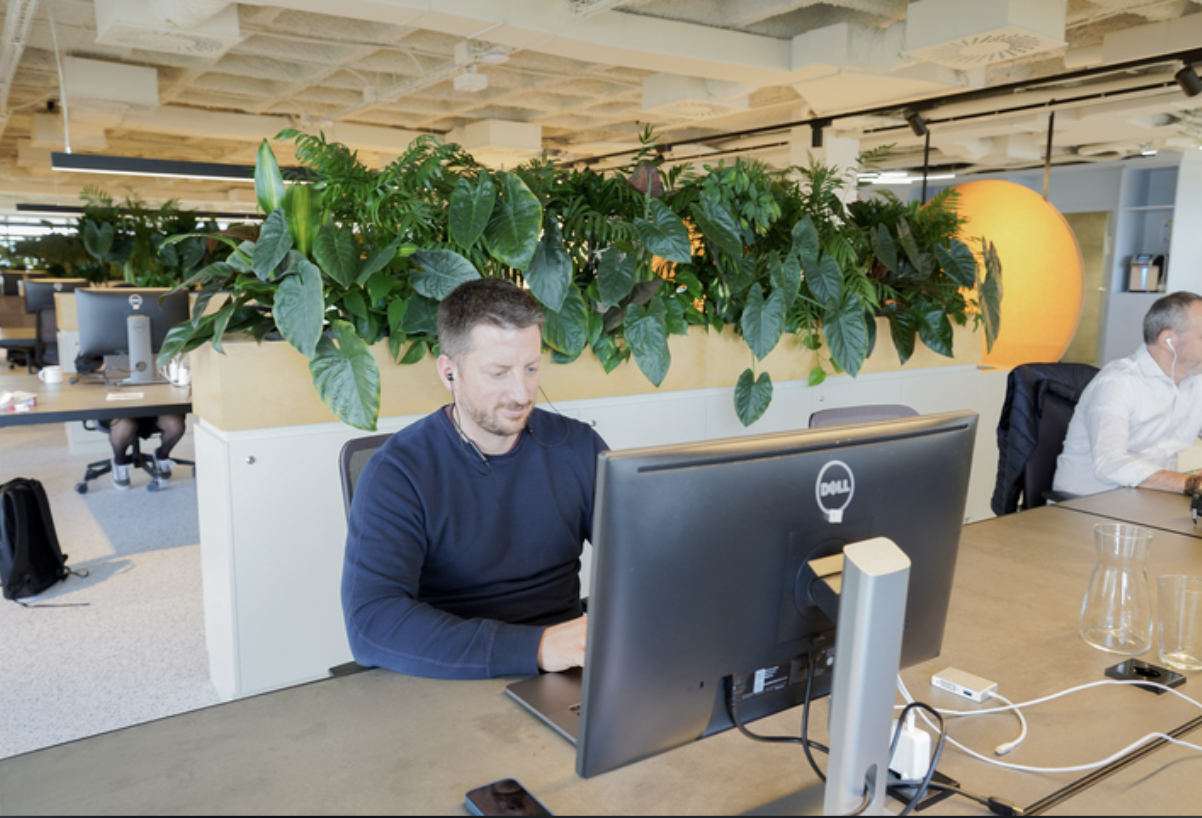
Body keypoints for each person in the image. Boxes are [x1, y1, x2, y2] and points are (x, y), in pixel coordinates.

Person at [341, 278, 608, 679]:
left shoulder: (580, 447)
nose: (522, 393)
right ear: (450, 371)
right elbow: (372, 624)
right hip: (453, 674)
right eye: (499, 373)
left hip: (567, 668)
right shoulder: (396, 472)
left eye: (531, 368)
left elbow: (643, 559)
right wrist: (535, 648)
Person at [1054, 291, 1202, 497]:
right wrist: (1190, 484)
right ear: (1168, 341)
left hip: (1150, 500)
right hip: (1088, 504)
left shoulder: (1195, 381)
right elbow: (1109, 463)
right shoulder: (1118, 383)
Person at [105, 415, 186, 490]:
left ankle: (162, 455)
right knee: (125, 426)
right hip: (118, 412)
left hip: (152, 409)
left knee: (175, 425)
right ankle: (120, 461)